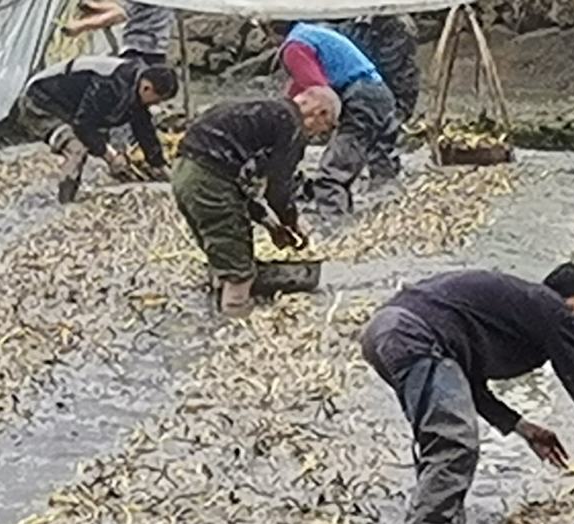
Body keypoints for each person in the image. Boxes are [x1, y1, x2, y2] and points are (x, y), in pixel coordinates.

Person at [360, 264, 574, 524]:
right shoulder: (559, 313)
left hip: (384, 331)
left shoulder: (521, 310)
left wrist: (522, 428)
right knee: (455, 445)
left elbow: (469, 388)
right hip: (413, 332)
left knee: (441, 440)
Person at [172, 86, 341, 317]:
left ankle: (215, 307)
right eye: (327, 126)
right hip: (210, 178)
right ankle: (235, 322)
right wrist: (292, 221)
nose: (319, 134)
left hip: (184, 173)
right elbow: (279, 189)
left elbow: (241, 186)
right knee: (239, 268)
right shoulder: (290, 125)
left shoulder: (264, 112)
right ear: (319, 112)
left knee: (221, 252)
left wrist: (271, 224)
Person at [16, 56, 177, 203]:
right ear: (147, 88)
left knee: (92, 143)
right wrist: (110, 156)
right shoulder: (109, 85)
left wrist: (159, 165)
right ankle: (64, 205)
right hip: (40, 101)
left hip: (71, 108)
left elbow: (143, 128)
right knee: (77, 149)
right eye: (157, 100)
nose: (156, 105)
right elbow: (83, 125)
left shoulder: (135, 83)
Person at [278, 22, 397, 212]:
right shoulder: (311, 33)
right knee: (383, 169)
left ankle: (335, 233)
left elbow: (319, 94)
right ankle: (391, 218)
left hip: (360, 99)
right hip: (379, 94)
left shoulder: (295, 47)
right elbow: (300, 88)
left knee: (331, 177)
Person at [336, 15, 420, 178]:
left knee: (384, 136)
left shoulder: (397, 24)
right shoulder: (354, 24)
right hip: (370, 89)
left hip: (396, 88)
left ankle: (384, 178)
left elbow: (387, 61)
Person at [64, 1, 174, 66]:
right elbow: (123, 8)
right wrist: (94, 6)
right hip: (146, 51)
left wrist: (80, 26)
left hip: (144, 53)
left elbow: (118, 15)